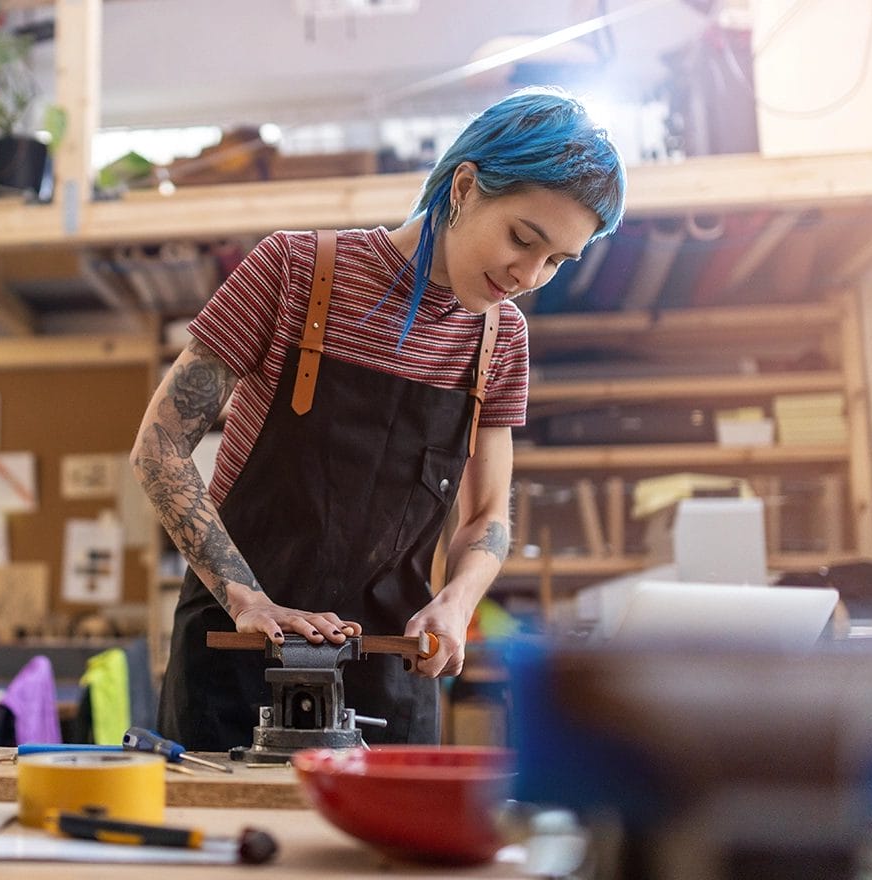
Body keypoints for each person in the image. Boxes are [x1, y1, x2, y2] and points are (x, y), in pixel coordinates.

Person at [130, 87, 627, 751]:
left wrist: (456, 603)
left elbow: (487, 518)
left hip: (390, 664)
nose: (529, 274)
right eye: (522, 238)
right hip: (238, 652)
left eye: (557, 261)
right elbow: (159, 448)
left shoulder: (499, 339)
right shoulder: (293, 272)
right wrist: (248, 598)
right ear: (465, 186)